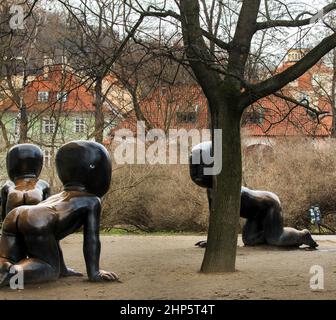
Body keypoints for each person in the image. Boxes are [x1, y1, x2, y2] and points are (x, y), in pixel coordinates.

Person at [0, 141, 118, 286]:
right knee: (48, 268)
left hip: (15, 215)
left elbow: (52, 238)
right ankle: (10, 273)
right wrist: (94, 272)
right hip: (36, 219)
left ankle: (5, 266)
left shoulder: (58, 197)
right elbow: (91, 239)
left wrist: (63, 269)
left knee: (7, 258)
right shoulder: (92, 201)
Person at [190, 141, 318, 249]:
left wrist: (218, 243)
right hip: (254, 213)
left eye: (200, 167)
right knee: (250, 240)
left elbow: (228, 221)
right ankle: (268, 234)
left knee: (276, 239)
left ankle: (302, 235)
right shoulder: (212, 190)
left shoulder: (229, 191)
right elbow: (216, 218)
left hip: (269, 205)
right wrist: (213, 241)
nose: (196, 173)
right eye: (194, 167)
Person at [1, 144, 50, 221]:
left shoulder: (8, 185)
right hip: (36, 225)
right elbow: (48, 211)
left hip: (12, 225)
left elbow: (3, 214)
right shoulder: (43, 184)